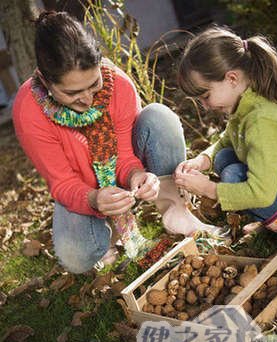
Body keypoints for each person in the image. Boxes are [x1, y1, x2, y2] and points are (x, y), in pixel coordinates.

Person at [13, 11, 219, 274]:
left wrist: (137, 175)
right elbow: (62, 182)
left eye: (93, 84)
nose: (87, 99)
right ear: (45, 80)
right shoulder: (28, 111)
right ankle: (108, 234)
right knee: (77, 257)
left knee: (159, 117)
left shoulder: (117, 85)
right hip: (85, 192)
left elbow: (123, 154)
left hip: (120, 182)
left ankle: (175, 210)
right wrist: (94, 199)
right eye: (72, 92)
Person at [175, 26, 277, 255]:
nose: (205, 106)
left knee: (234, 177)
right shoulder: (249, 99)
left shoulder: (263, 121)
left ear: (232, 78)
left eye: (206, 96)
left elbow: (260, 193)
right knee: (225, 157)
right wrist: (203, 160)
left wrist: (209, 189)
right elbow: (229, 139)